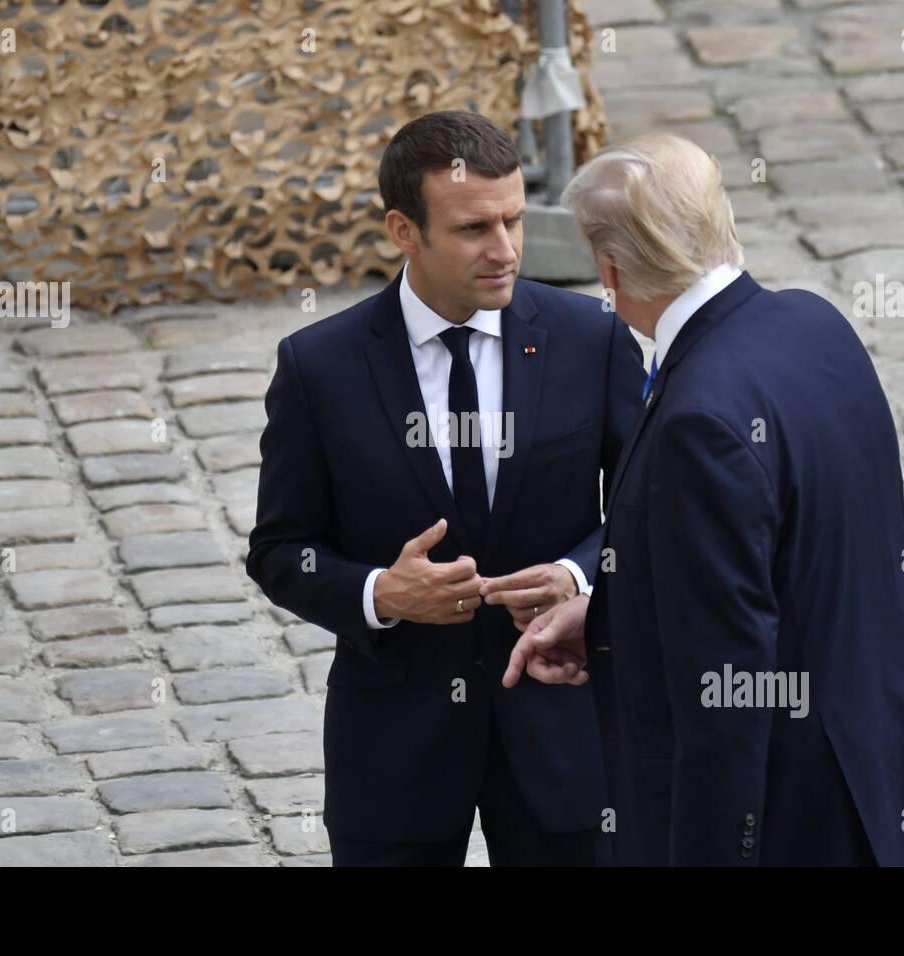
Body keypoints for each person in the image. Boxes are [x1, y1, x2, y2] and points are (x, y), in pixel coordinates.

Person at [503, 133, 904, 866]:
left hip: (803, 815)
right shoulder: (812, 321)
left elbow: (729, 686)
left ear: (608, 268)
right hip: (887, 758)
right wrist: (611, 612)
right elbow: (793, 562)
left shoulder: (698, 418)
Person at [247, 110, 645, 865]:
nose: (505, 251)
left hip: (565, 732)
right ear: (405, 230)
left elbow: (646, 504)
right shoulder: (319, 368)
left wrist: (575, 574)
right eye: (473, 230)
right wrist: (379, 596)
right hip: (395, 748)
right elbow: (279, 550)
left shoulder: (589, 339)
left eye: (514, 221)